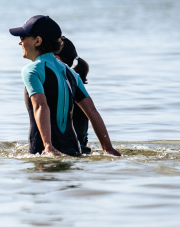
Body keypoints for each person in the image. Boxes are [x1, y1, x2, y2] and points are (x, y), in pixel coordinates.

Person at [8, 15, 120, 157]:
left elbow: (41, 106)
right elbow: (91, 110)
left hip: (42, 151)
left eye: (23, 37)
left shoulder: (32, 70)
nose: (20, 42)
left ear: (37, 41)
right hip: (74, 149)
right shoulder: (71, 73)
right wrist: (108, 148)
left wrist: (48, 146)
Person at [57, 36, 92, 154]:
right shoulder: (75, 84)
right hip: (81, 148)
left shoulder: (61, 88)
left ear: (56, 58)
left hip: (68, 150)